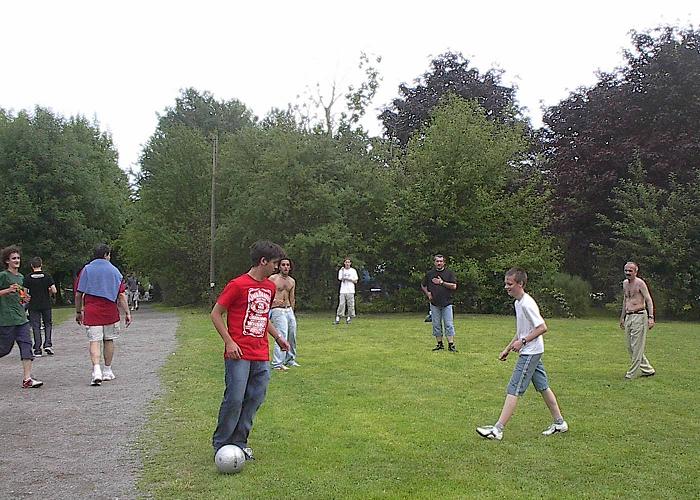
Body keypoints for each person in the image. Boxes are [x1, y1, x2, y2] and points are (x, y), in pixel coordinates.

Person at [211, 240, 290, 459]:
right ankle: (221, 444)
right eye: (274, 263)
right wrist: (229, 341)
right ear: (263, 261)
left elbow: (263, 317)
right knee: (235, 398)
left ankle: (239, 441)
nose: (276, 267)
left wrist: (279, 338)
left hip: (260, 353)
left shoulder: (269, 287)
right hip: (238, 353)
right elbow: (216, 314)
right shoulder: (237, 285)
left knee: (255, 398)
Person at [476, 267, 567, 441]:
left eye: (509, 284)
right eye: (506, 283)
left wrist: (523, 342)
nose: (506, 287)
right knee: (543, 387)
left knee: (514, 388)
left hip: (530, 353)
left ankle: (498, 430)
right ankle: (559, 423)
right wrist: (508, 348)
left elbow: (542, 327)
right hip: (532, 351)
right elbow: (521, 332)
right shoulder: (518, 303)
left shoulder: (527, 304)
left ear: (521, 284)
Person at [75, 244, 131, 386]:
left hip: (92, 309)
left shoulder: (87, 269)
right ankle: (107, 370)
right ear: (106, 254)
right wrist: (127, 313)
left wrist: (78, 311)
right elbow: (121, 295)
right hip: (110, 309)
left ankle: (96, 369)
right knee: (109, 340)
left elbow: (79, 293)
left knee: (94, 340)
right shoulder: (114, 271)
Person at [0, 246, 43, 388]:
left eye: (18, 258)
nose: (17, 260)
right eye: (13, 258)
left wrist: (25, 299)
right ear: (7, 261)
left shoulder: (21, 277)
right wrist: (7, 290)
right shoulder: (3, 276)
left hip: (21, 318)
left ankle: (27, 379)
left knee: (26, 345)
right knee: (5, 348)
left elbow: (20, 296)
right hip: (6, 318)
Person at [619, 261, 656, 379]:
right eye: (626, 270)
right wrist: (622, 317)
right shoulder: (625, 284)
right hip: (629, 316)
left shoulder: (640, 284)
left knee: (637, 346)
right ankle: (648, 370)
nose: (628, 273)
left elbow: (649, 300)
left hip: (640, 315)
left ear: (636, 271)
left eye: (630, 271)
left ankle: (631, 373)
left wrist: (651, 317)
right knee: (630, 346)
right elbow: (625, 300)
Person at [421, 254, 458, 352]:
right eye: (437, 261)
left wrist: (442, 283)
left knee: (449, 324)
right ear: (434, 262)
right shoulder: (430, 274)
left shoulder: (449, 273)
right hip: (434, 304)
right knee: (436, 325)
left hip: (447, 303)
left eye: (441, 261)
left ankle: (451, 345)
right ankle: (439, 344)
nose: (439, 263)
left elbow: (454, 286)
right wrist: (428, 293)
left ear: (444, 262)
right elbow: (423, 285)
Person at [269, 258, 299, 371]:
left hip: (288, 309)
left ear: (290, 267)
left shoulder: (292, 281)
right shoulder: (273, 279)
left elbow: (292, 297)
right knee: (281, 334)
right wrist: (272, 303)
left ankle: (290, 359)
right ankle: (277, 363)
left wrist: (292, 310)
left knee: (292, 334)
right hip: (277, 309)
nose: (285, 267)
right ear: (279, 266)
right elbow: (266, 292)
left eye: (287, 265)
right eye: (283, 265)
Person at [24, 256, 57, 357]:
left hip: (33, 305)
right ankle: (47, 344)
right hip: (46, 304)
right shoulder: (47, 276)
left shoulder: (28, 277)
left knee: (36, 326)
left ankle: (37, 349)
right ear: (41, 264)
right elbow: (54, 290)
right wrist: (49, 291)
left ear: (31, 266)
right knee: (48, 324)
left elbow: (25, 293)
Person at [334, 258, 358, 325]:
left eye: (348, 262)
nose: (347, 264)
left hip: (350, 290)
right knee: (341, 304)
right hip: (343, 290)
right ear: (344, 263)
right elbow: (340, 278)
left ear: (350, 263)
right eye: (346, 262)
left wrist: (349, 279)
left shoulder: (353, 271)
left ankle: (349, 318)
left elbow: (355, 281)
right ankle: (338, 318)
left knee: (350, 305)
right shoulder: (341, 270)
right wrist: (343, 276)